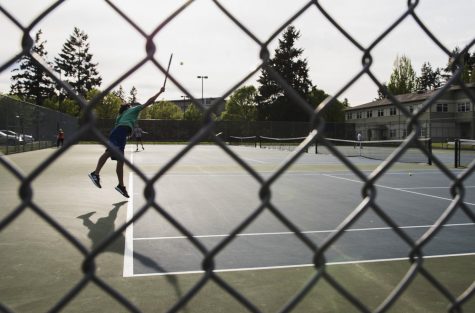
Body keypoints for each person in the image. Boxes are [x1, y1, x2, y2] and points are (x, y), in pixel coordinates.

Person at [88, 86, 165, 198]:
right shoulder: (132, 109)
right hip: (120, 133)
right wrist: (159, 92)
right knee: (110, 152)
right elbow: (150, 101)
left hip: (119, 133)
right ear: (129, 107)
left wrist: (127, 133)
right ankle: (95, 173)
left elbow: (119, 128)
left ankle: (121, 185)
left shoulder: (120, 116)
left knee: (120, 161)